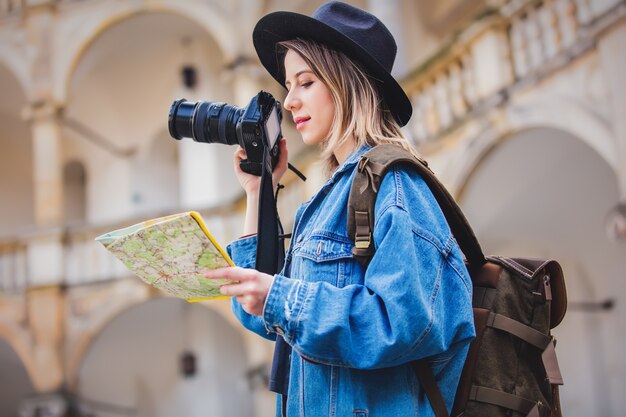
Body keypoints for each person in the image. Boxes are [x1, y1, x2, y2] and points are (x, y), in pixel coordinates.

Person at [204, 2, 475, 416]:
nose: (289, 101)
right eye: (288, 85)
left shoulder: (397, 184)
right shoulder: (327, 197)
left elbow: (400, 324)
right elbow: (263, 318)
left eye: (305, 82)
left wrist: (281, 298)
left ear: (347, 82)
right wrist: (259, 190)